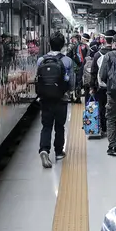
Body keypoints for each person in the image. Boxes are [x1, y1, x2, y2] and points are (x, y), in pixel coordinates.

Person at [36, 32, 74, 169]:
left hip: (45, 99)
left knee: (46, 126)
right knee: (59, 126)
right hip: (61, 98)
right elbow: (71, 81)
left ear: (49, 44)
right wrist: (69, 92)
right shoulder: (67, 61)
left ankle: (44, 150)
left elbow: (38, 79)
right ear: (63, 45)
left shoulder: (41, 60)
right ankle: (58, 152)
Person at [91, 30, 116, 137]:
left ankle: (104, 129)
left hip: (101, 86)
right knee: (113, 109)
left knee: (101, 107)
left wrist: (92, 86)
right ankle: (112, 130)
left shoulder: (97, 55)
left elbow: (93, 72)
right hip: (115, 86)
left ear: (104, 40)